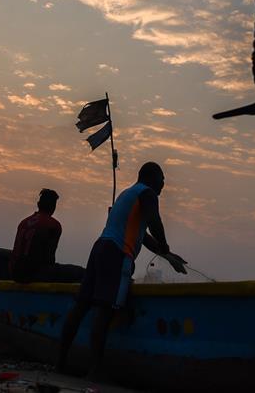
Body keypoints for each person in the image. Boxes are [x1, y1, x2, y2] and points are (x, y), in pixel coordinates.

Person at [56, 162, 187, 379]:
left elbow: (142, 236)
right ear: (151, 178)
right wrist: (165, 246)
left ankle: (60, 363)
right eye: (162, 178)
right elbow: (155, 222)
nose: (164, 183)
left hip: (100, 248)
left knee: (81, 306)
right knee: (104, 311)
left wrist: (167, 255)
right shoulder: (148, 193)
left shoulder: (129, 194)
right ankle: (95, 370)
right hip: (116, 254)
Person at [10, 189, 84, 283]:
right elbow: (49, 257)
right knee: (81, 273)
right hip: (34, 274)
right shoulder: (53, 225)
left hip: (15, 272)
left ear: (38, 204)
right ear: (53, 207)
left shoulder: (23, 223)